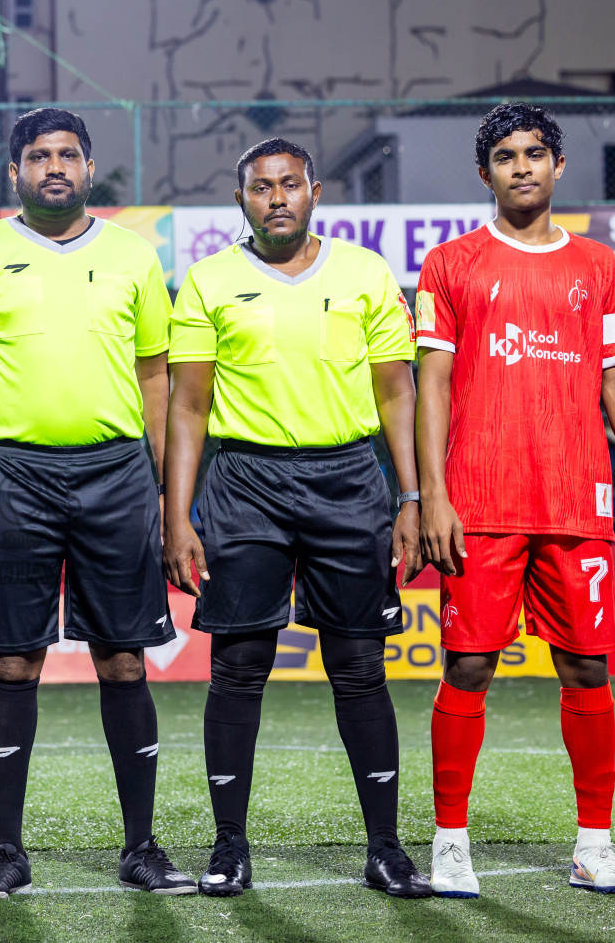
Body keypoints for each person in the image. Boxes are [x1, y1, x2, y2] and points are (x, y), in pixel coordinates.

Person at [164, 137, 432, 899]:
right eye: (259, 187)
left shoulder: (365, 273)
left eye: (289, 184)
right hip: (244, 481)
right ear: (240, 199)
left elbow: (397, 395)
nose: (276, 197)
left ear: (315, 191)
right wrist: (176, 514)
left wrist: (410, 498)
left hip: (349, 482)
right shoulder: (210, 280)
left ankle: (386, 850)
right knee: (238, 667)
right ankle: (229, 848)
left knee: (359, 667)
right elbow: (186, 406)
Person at [0, 108, 193, 899]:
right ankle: (6, 851)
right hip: (15, 475)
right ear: (15, 170)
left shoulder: (131, 256)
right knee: (14, 661)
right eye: (40, 155)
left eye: (69, 155)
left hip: (116, 475)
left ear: (89, 168)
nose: (55, 166)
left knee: (123, 658)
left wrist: (159, 486)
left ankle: (142, 848)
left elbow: (158, 377)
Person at [417, 103, 615, 897]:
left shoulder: (596, 266)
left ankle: (595, 845)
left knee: (588, 670)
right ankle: (450, 843)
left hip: (574, 500)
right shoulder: (451, 263)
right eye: (505, 156)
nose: (521, 166)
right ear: (484, 173)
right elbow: (432, 385)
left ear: (558, 167)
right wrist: (431, 495)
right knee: (468, 664)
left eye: (534, 153)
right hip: (480, 502)